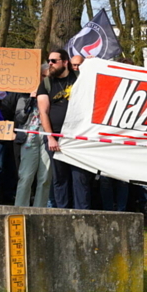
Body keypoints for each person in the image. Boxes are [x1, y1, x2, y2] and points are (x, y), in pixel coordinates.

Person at [38, 49, 90, 209]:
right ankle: (63, 213)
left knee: (80, 178)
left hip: (77, 137)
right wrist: (50, 137)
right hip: (56, 138)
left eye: (54, 61)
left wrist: (92, 63)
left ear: (65, 62)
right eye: (49, 61)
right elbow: (43, 112)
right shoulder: (46, 83)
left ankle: (82, 213)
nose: (50, 64)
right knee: (60, 178)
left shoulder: (80, 79)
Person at [14, 64, 52, 207]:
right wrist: (31, 100)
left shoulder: (56, 94)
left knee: (45, 177)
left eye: (49, 77)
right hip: (29, 136)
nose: (45, 79)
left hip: (47, 136)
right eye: (43, 76)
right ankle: (20, 208)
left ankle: (40, 209)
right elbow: (19, 117)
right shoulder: (25, 94)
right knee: (25, 176)